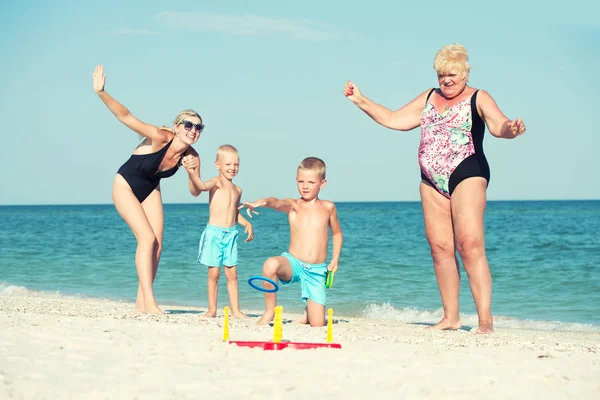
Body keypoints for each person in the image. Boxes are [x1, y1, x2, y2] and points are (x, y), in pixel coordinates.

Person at [343, 43, 526, 334]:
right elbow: (394, 119)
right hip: (430, 178)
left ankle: (485, 321)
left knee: (469, 244)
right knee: (440, 248)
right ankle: (451, 317)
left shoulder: (478, 97)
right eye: (442, 75)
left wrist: (511, 129)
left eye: (452, 74)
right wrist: (361, 100)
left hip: (467, 171)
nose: (447, 80)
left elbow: (498, 124)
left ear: (465, 73)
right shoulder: (430, 97)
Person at [93, 65, 203, 315]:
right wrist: (101, 92)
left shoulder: (192, 155)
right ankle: (151, 303)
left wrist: (191, 172)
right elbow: (127, 117)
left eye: (198, 128)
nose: (193, 130)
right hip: (126, 184)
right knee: (147, 239)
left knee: (158, 246)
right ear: (176, 126)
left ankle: (141, 304)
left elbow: (196, 191)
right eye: (188, 125)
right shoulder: (159, 136)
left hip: (151, 187)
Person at [239, 157, 343, 327]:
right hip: (293, 263)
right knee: (270, 264)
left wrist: (335, 259)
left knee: (317, 324)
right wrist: (263, 202)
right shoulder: (294, 205)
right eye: (301, 181)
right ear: (296, 181)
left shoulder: (328, 207)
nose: (305, 186)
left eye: (310, 182)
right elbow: (277, 202)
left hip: (316, 271)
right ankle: (270, 311)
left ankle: (308, 312)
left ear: (322, 183)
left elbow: (337, 233)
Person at [187, 144, 254, 319]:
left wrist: (246, 223)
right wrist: (192, 172)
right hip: (214, 234)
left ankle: (236, 310)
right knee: (214, 273)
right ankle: (211, 310)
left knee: (232, 273)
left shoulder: (237, 190)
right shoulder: (216, 182)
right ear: (218, 164)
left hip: (230, 234)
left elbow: (234, 212)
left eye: (236, 165)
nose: (232, 168)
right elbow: (201, 187)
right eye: (228, 165)